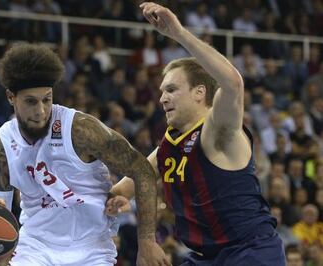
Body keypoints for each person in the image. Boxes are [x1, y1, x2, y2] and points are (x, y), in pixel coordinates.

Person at [107, 2, 285, 265]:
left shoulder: (217, 130)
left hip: (249, 252)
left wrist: (178, 33)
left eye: (171, 90)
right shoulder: (171, 141)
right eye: (161, 92)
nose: (162, 99)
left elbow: (233, 83)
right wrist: (115, 195)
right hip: (204, 256)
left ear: (200, 92)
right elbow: (136, 178)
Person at [0, 43, 169, 266]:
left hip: (92, 247)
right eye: (31, 101)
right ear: (11, 97)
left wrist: (147, 242)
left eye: (46, 99)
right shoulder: (0, 145)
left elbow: (142, 171)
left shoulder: (81, 130)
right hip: (35, 247)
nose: (40, 111)